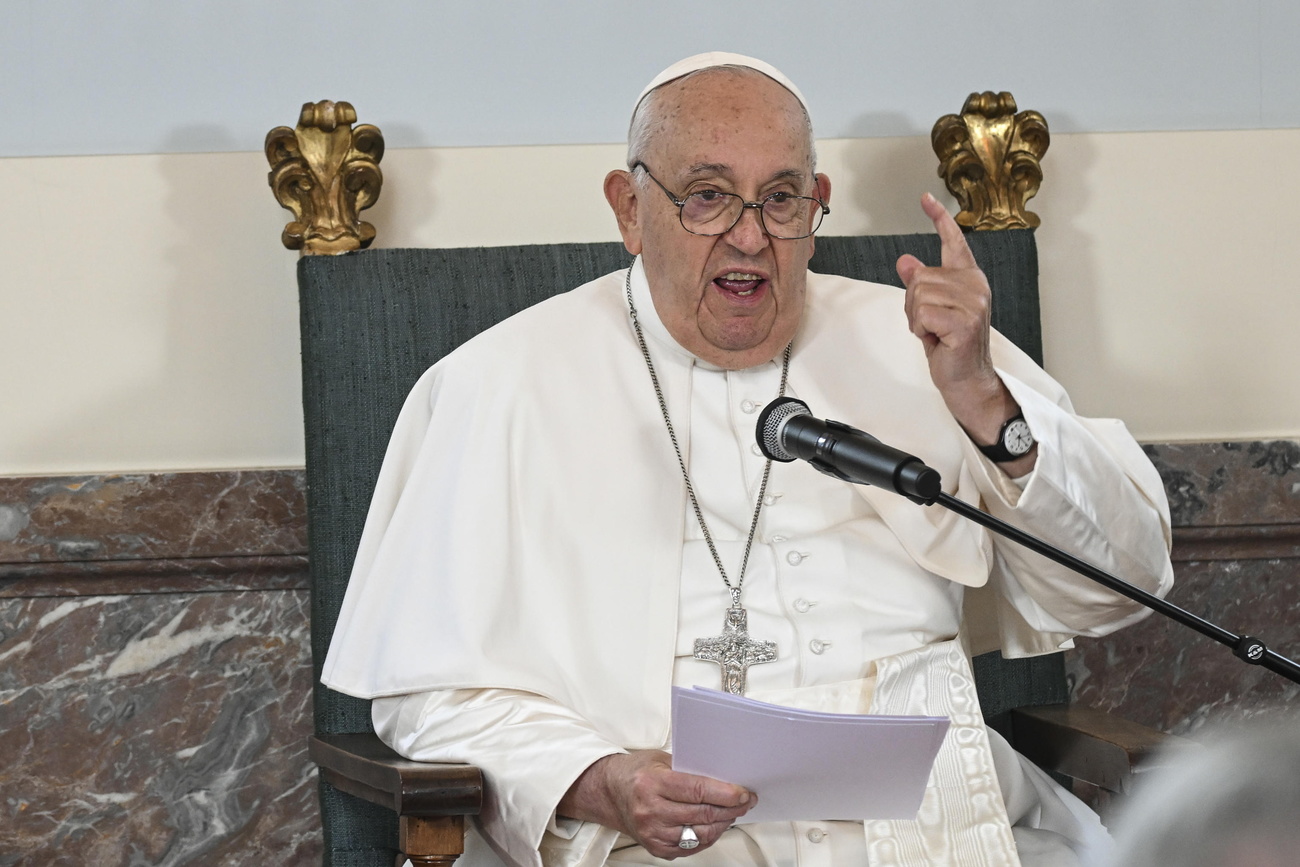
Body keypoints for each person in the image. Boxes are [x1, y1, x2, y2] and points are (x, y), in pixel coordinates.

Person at [322, 53, 1175, 867]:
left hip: (935, 832)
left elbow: (1118, 585)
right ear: (628, 208)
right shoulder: (496, 383)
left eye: (780, 199)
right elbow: (427, 695)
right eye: (706, 197)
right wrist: (599, 783)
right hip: (646, 845)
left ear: (818, 206)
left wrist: (986, 403)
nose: (748, 235)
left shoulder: (934, 349)